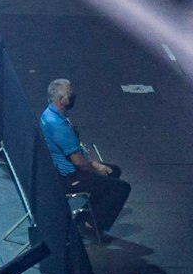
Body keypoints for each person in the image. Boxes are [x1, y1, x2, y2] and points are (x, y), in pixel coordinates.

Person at [40, 79, 131, 238]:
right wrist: (97, 171)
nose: (73, 96)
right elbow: (79, 162)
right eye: (70, 94)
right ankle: (90, 225)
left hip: (63, 170)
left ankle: (88, 216)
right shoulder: (58, 126)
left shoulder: (49, 114)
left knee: (114, 170)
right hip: (69, 176)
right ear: (61, 99)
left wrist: (96, 164)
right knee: (121, 188)